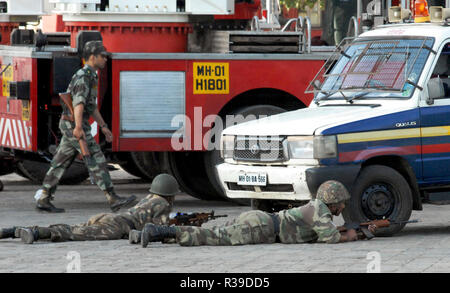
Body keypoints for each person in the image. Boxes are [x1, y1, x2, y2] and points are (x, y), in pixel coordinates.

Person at [34, 40, 136, 213]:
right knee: (96, 158)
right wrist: (79, 127)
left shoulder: (91, 75)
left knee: (60, 162)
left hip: (71, 123)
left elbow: (91, 106)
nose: (105, 59)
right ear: (92, 57)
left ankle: (44, 197)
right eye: (102, 56)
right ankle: (112, 198)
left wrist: (103, 126)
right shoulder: (84, 76)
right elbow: (78, 104)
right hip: (74, 123)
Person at [137, 180, 377, 248]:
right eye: (341, 203)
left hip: (260, 222)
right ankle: (158, 231)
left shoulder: (317, 208)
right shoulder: (320, 211)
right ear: (332, 201)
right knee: (208, 237)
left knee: (209, 231)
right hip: (260, 228)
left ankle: (145, 235)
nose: (343, 208)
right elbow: (330, 238)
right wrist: (353, 236)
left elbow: (323, 231)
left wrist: (361, 231)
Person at [0, 173, 179, 244]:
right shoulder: (163, 204)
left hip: (108, 217)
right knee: (74, 235)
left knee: (73, 229)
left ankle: (13, 231)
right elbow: (160, 231)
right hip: (118, 226)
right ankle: (35, 233)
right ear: (170, 194)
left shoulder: (149, 198)